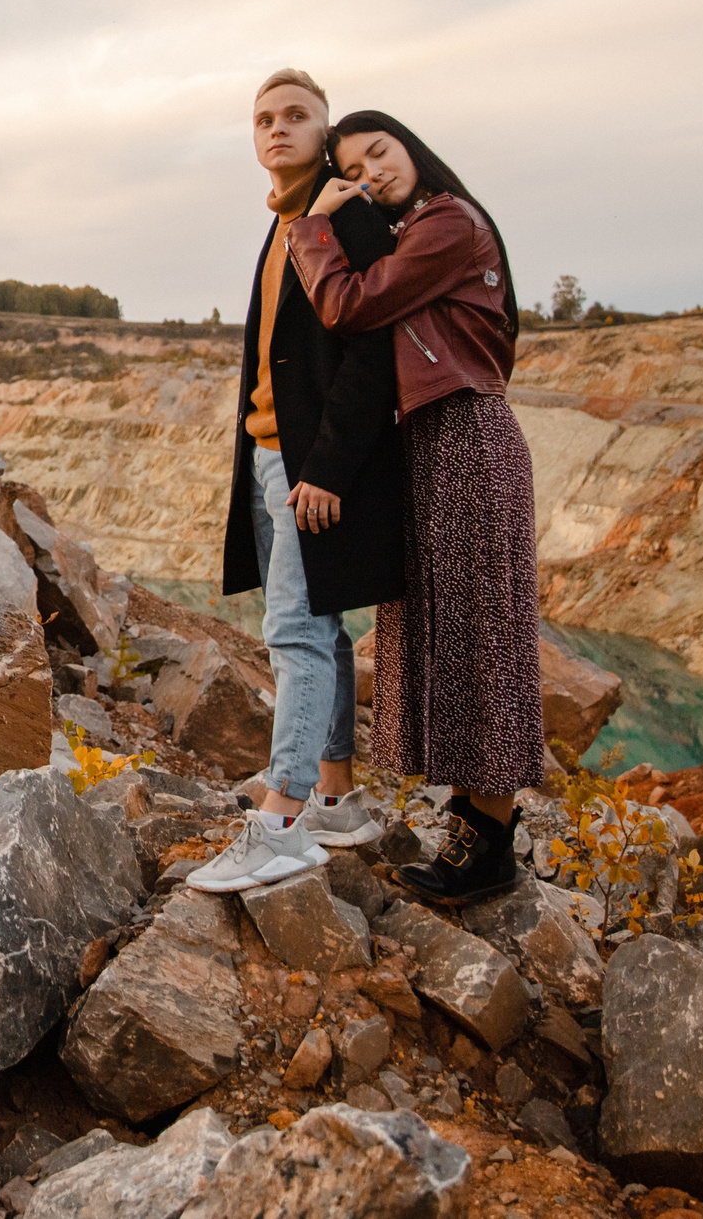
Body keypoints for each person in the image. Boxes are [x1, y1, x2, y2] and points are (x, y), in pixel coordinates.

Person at [288, 108, 544, 906]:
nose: (370, 173)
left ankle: (490, 847)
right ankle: (472, 833)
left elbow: (354, 306)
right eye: (354, 168)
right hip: (436, 442)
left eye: (379, 153)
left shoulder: (448, 222)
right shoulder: (422, 229)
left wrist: (314, 226)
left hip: (466, 433)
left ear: (411, 148)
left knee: (482, 636)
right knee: (457, 632)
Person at [187, 70, 407, 894]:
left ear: (324, 131)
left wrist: (327, 467)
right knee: (324, 625)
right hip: (271, 454)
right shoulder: (286, 220)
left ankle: (280, 822)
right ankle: (337, 797)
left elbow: (374, 350)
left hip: (311, 466)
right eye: (264, 119)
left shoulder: (344, 217)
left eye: (296, 117)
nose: (277, 129)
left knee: (295, 631)